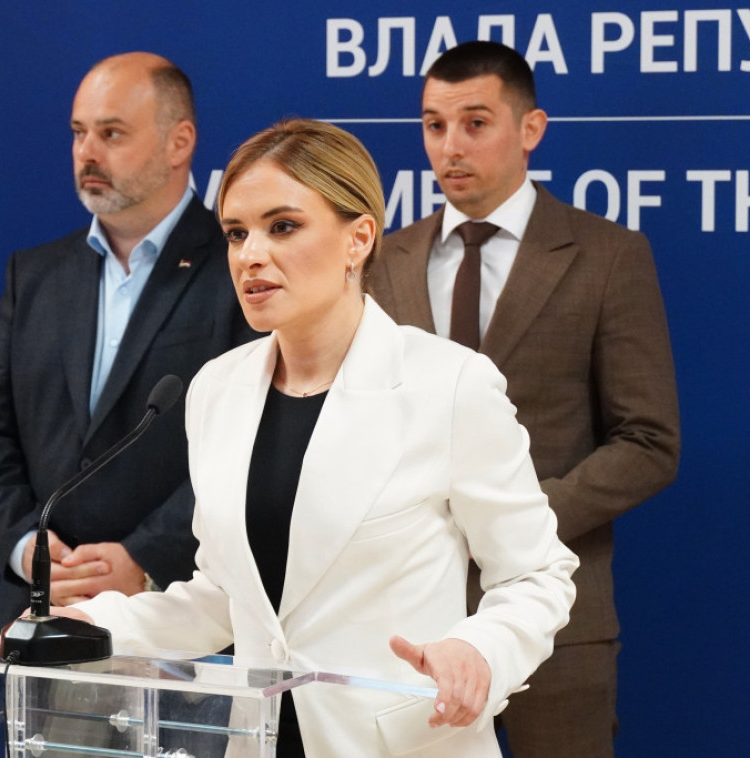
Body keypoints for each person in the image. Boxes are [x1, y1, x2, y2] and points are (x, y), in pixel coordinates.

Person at [38, 119, 578, 757]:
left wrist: (479, 651)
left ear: (359, 238)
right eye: (236, 232)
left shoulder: (449, 385)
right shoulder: (217, 390)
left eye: (283, 226)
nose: (250, 254)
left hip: (400, 743)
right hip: (259, 739)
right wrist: (94, 622)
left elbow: (537, 575)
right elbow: (224, 598)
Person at [369, 41, 681, 758]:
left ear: (531, 128)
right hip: (409, 621)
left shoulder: (608, 256)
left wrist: (517, 522)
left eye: (475, 123)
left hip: (558, 618)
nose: (450, 146)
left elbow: (649, 441)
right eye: (434, 125)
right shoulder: (384, 261)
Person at [0, 52, 252, 639]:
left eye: (111, 133)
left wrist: (145, 557)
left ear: (179, 142)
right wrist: (25, 546)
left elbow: (250, 448)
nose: (87, 152)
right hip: (39, 610)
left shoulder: (240, 270)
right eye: (79, 133)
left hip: (177, 620)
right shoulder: (35, 274)